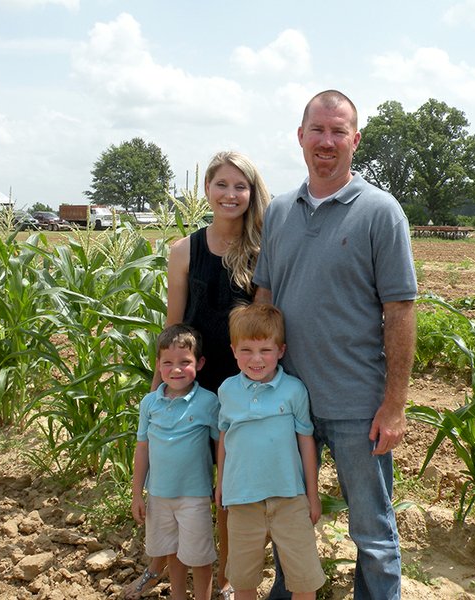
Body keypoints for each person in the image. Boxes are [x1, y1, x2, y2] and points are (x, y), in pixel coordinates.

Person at [254, 90, 417, 600]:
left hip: (356, 405)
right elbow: (265, 298)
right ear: (300, 137)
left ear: (355, 140)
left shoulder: (380, 211)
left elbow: (401, 311)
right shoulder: (279, 212)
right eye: (318, 130)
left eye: (338, 131)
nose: (327, 141)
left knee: (372, 533)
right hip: (288, 402)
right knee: (289, 518)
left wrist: (394, 405)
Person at [124, 151, 271, 600]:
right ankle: (158, 568)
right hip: (192, 380)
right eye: (221, 184)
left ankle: (225, 579)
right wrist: (158, 388)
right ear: (206, 188)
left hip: (241, 384)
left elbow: (262, 322)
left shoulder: (262, 249)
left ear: (251, 192)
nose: (230, 194)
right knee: (175, 480)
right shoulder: (183, 250)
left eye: (240, 186)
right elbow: (175, 327)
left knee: (227, 487)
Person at [215, 303, 325, 600]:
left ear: (281, 351)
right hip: (242, 499)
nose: (256, 359)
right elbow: (225, 438)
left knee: (304, 579)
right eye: (247, 350)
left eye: (265, 350)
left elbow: (306, 442)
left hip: (289, 499)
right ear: (233, 351)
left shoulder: (293, 390)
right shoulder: (227, 391)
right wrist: (221, 482)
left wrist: (311, 496)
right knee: (243, 579)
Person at [131, 324, 219, 600]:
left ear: (200, 363)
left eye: (185, 362)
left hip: (194, 495)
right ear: (157, 365)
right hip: (159, 494)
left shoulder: (209, 402)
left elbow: (222, 445)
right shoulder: (149, 403)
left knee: (200, 558)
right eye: (167, 363)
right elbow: (142, 448)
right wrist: (137, 494)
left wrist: (222, 484)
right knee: (174, 553)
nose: (176, 369)